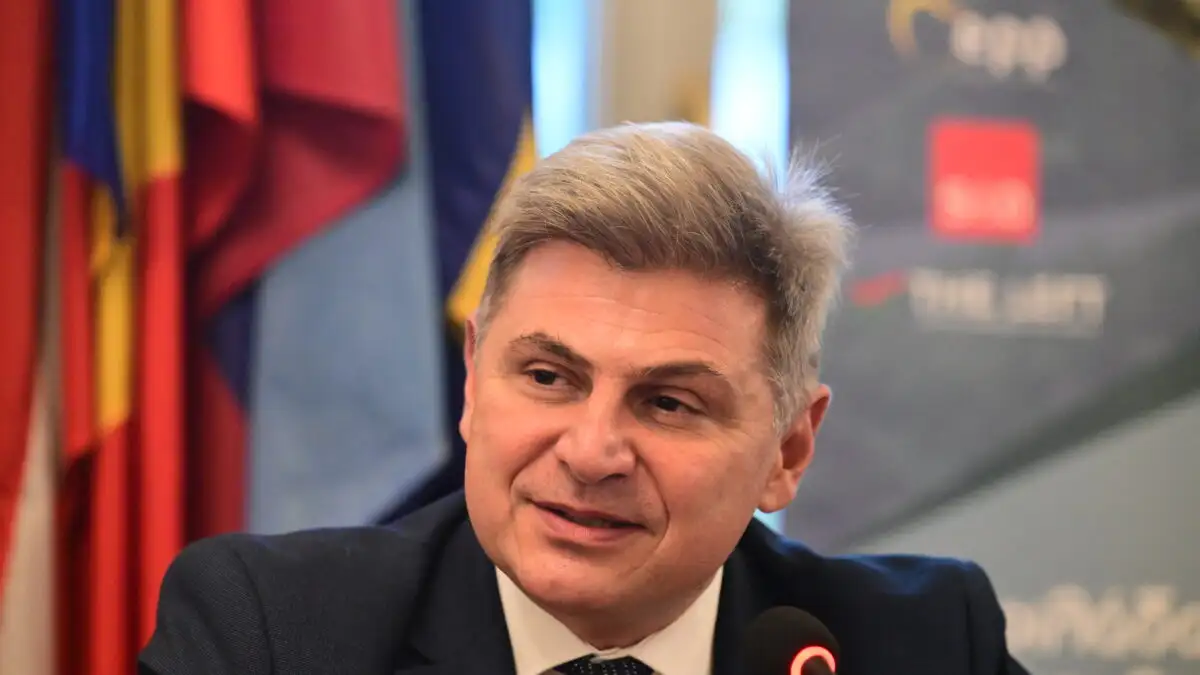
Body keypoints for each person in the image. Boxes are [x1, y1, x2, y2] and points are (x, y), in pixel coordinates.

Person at [140, 122, 1030, 675]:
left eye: (669, 403)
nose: (592, 451)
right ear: (473, 379)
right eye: (547, 378)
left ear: (788, 450)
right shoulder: (269, 636)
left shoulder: (927, 645)